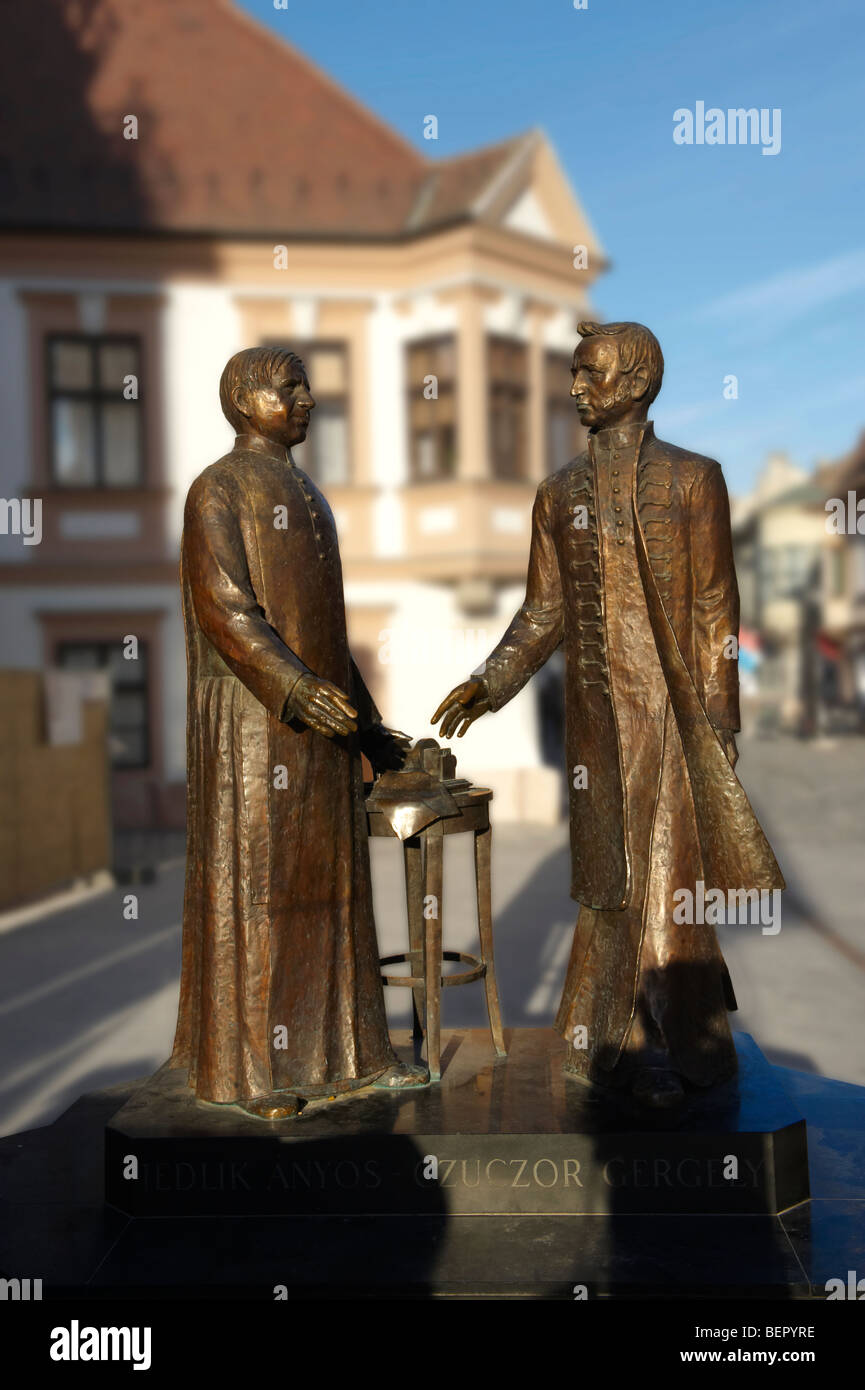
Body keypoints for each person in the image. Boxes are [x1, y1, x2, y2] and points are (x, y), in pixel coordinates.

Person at [432, 321, 784, 1107]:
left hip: (675, 719)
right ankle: (604, 1036)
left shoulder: (695, 479)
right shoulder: (557, 493)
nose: (575, 388)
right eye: (574, 374)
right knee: (605, 882)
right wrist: (488, 682)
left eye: (588, 374)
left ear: (634, 382)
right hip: (598, 727)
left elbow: (715, 610)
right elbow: (542, 612)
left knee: (670, 882)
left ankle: (687, 1038)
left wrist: (720, 721)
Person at [171, 346, 425, 1117]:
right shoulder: (216, 489)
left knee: (335, 898)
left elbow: (326, 632)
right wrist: (293, 687)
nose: (308, 398)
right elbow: (225, 609)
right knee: (263, 899)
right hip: (256, 725)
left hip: (321, 729)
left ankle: (352, 1054)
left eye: (307, 385)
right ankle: (260, 1072)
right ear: (247, 400)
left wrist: (370, 729)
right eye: (291, 387)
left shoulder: (305, 492)